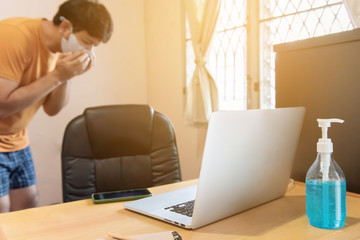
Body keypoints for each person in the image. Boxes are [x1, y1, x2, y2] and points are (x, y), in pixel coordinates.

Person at [0, 0, 113, 212]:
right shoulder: (13, 36)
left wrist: (66, 77)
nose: (89, 51)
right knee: (2, 211)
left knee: (28, 206)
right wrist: (57, 75)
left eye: (94, 46)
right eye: (87, 42)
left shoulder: (61, 49)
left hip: (16, 137)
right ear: (65, 27)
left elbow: (52, 109)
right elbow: (2, 107)